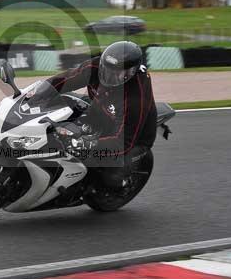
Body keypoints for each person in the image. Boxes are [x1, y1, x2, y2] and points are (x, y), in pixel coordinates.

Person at [47, 41, 156, 188]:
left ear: (130, 73)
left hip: (133, 138)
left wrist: (86, 144)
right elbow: (65, 79)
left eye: (117, 73)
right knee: (65, 106)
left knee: (110, 177)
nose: (109, 76)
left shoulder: (135, 97)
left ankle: (95, 189)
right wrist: (34, 93)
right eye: (107, 70)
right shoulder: (95, 66)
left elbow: (123, 142)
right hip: (101, 113)